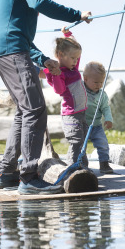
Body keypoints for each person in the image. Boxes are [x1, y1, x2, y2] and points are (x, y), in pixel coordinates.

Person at [0, 0, 91, 195]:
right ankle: (29, 177)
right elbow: (40, 2)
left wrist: (42, 59)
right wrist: (76, 15)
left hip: (9, 49)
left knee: (25, 111)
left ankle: (7, 172)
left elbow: (15, 28)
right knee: (35, 110)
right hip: (12, 50)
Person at [44, 35, 88, 168]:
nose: (76, 61)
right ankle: (73, 166)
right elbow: (59, 90)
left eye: (77, 58)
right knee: (76, 141)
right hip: (71, 114)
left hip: (81, 112)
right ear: (60, 55)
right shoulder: (59, 73)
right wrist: (56, 75)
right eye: (73, 58)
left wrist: (68, 35)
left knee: (83, 141)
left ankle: (82, 165)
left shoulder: (73, 69)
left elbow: (76, 52)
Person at [82, 61, 114, 174]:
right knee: (81, 146)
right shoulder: (80, 89)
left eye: (101, 82)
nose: (99, 85)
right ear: (85, 79)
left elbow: (105, 108)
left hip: (96, 126)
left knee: (103, 144)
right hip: (82, 125)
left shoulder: (102, 95)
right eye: (96, 82)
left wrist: (108, 119)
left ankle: (104, 164)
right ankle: (82, 164)